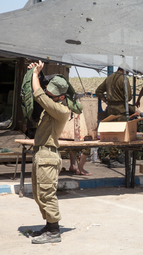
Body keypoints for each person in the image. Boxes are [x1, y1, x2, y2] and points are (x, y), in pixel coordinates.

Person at [28, 60, 70, 244]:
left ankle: (54, 231)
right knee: (39, 194)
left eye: (52, 93)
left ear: (61, 97)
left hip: (48, 156)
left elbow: (38, 94)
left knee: (46, 193)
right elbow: (43, 91)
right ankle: (48, 224)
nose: (48, 93)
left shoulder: (61, 110)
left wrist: (35, 75)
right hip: (41, 155)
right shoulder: (54, 102)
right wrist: (37, 71)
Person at [95, 63, 134, 160]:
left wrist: (105, 100)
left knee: (112, 133)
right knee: (120, 134)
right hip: (120, 109)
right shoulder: (124, 79)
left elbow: (98, 91)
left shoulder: (109, 78)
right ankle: (115, 157)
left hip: (110, 109)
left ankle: (112, 155)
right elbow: (128, 97)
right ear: (126, 70)